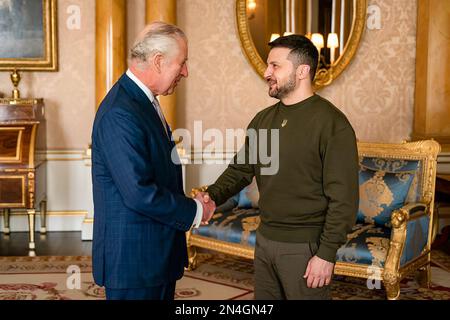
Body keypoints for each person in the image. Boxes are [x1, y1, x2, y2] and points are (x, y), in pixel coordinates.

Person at [200, 35, 359, 300]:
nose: (266, 72)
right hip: (264, 241)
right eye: (267, 66)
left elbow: (344, 199)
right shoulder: (262, 120)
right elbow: (240, 170)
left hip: (306, 247)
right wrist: (211, 196)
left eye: (275, 66)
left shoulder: (332, 124)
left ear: (302, 71)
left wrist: (326, 254)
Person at [91, 22, 215, 300]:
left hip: (154, 257)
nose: (186, 71)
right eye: (182, 63)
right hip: (134, 262)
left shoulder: (143, 101)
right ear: (158, 61)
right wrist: (194, 210)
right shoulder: (120, 112)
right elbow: (139, 193)